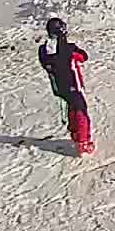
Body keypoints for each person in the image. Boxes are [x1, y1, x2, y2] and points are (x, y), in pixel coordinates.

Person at [37, 17, 91, 156]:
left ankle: (75, 134)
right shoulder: (68, 48)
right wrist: (67, 46)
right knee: (81, 111)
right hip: (73, 84)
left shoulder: (43, 50)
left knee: (72, 108)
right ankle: (83, 142)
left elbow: (47, 61)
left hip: (59, 87)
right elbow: (83, 56)